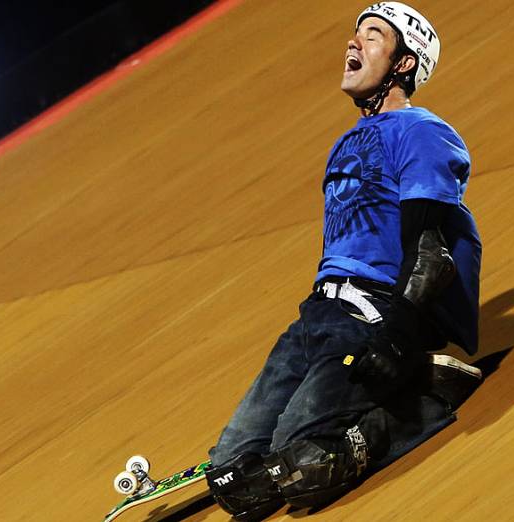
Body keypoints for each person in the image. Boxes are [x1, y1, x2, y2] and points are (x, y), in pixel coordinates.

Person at [205, 3, 483, 520]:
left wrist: (399, 329)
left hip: (372, 313)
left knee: (302, 466)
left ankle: (417, 397)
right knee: (233, 481)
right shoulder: (344, 144)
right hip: (317, 316)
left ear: (403, 63)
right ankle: (388, 390)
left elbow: (429, 249)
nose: (353, 43)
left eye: (372, 36)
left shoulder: (421, 131)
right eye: (354, 35)